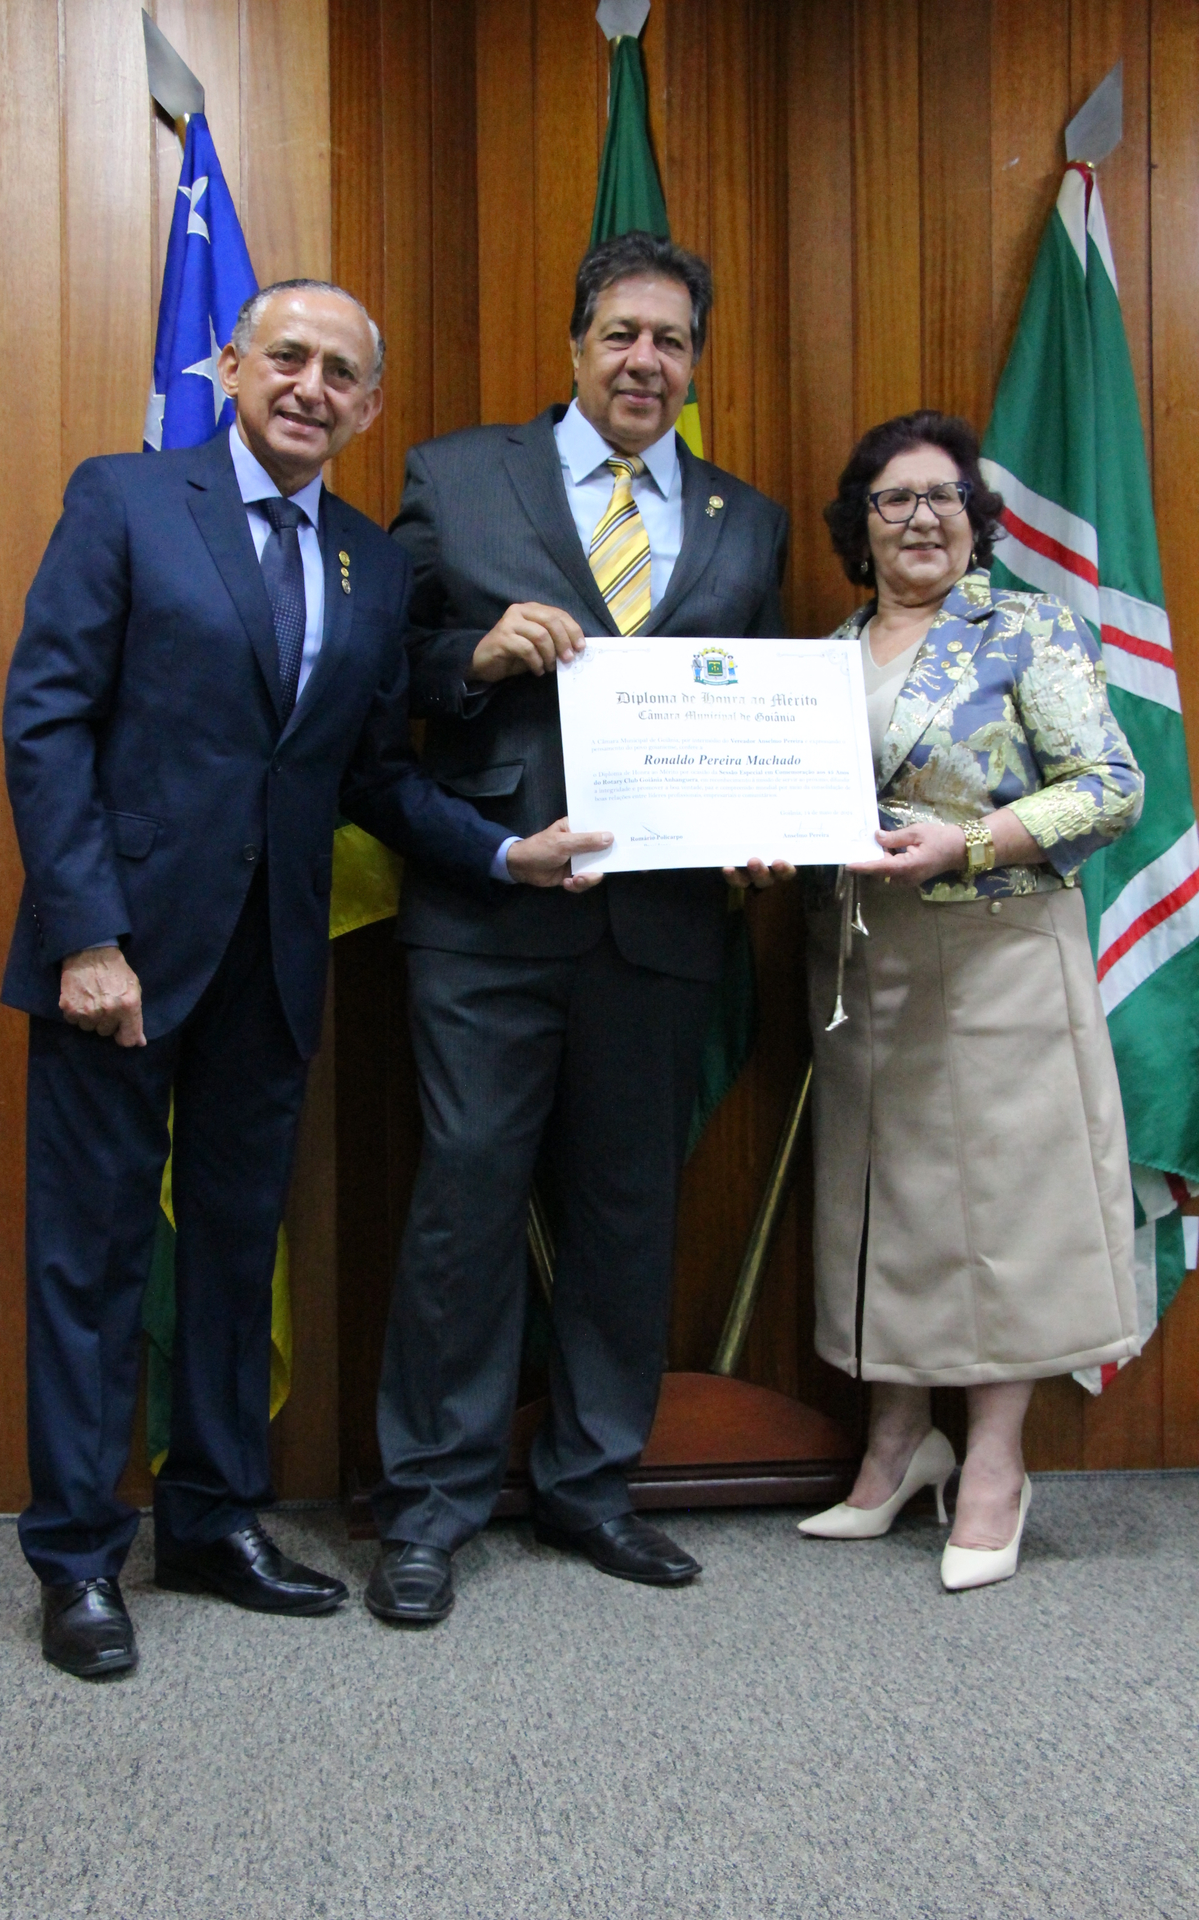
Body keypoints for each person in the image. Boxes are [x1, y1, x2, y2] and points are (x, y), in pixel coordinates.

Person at [2, 279, 606, 1680]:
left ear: (369, 406)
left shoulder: (366, 564)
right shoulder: (125, 499)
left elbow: (370, 776)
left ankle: (212, 1521)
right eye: (288, 358)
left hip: (271, 964)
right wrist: (85, 936)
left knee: (234, 1250)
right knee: (92, 1260)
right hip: (121, 957)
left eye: (341, 374)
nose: (310, 388)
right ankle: (78, 1555)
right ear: (232, 366)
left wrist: (503, 852)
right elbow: (47, 720)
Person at [364, 230, 789, 1626]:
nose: (644, 361)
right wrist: (474, 656)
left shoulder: (746, 520)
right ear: (575, 345)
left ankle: (593, 1486)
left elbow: (758, 709)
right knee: (465, 1204)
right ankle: (428, 1506)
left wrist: (765, 825)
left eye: (671, 340)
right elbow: (382, 672)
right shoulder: (454, 476)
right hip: (488, 910)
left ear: (695, 364)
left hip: (661, 923)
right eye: (621, 333)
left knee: (625, 1213)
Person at [780, 409, 1142, 1589]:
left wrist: (968, 842)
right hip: (861, 962)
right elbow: (805, 805)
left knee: (1002, 1213)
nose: (919, 517)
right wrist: (763, 847)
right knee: (882, 1203)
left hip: (998, 956)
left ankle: (993, 1464)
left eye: (942, 496)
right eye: (893, 499)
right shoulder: (826, 656)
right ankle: (896, 1446)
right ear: (859, 524)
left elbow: (1109, 787)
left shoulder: (1025, 628)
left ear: (976, 520)